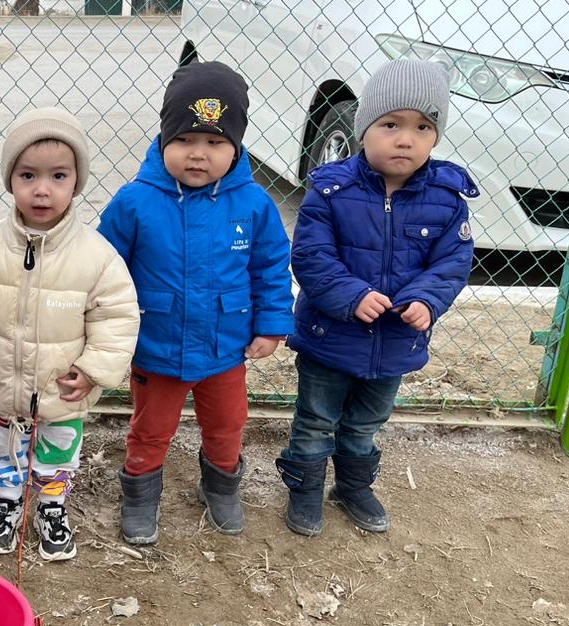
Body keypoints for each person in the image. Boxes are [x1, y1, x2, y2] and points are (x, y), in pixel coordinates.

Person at [277, 59, 476, 536]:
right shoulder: (331, 190)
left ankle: (353, 486)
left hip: (394, 344)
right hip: (329, 337)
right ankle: (305, 488)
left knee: (366, 423)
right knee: (316, 419)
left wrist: (426, 300)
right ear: (364, 127)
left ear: (435, 136)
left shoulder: (447, 199)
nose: (406, 139)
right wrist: (352, 295)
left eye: (422, 127)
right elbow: (311, 256)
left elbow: (452, 263)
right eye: (391, 124)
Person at [99, 61, 294, 544]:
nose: (198, 154)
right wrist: (104, 329)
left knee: (227, 424)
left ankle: (221, 486)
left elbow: (270, 266)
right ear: (164, 139)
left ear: (236, 148)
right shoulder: (134, 202)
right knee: (151, 428)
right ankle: (141, 493)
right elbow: (102, 271)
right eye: (184, 139)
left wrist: (271, 325)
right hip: (157, 346)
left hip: (226, 347)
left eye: (214, 142)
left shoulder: (254, 204)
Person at [0, 108, 138, 561]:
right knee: (4, 449)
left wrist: (93, 370)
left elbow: (117, 317)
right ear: (10, 179)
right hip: (4, 384)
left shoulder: (97, 256)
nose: (42, 189)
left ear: (76, 181)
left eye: (58, 176)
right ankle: (8, 502)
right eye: (28, 175)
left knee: (57, 453)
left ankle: (51, 506)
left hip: (61, 386)